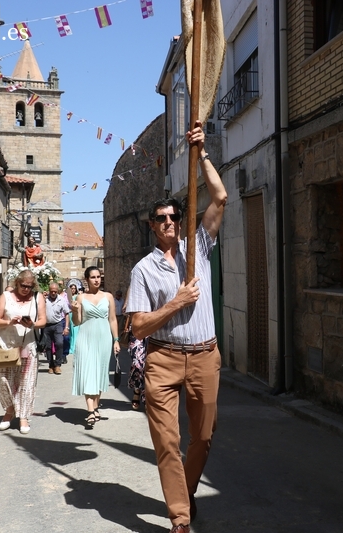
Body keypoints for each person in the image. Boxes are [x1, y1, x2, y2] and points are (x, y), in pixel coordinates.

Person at [127, 122, 226, 533]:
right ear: (152, 226)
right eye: (161, 218)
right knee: (167, 442)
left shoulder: (198, 246)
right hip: (163, 361)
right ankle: (180, 519)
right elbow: (137, 327)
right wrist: (176, 303)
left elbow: (219, 196)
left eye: (173, 216)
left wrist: (200, 153)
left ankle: (183, 491)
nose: (169, 221)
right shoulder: (142, 270)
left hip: (205, 354)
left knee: (202, 438)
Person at [0, 270, 46, 435]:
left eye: (30, 287)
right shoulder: (6, 297)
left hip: (27, 347)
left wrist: (32, 324)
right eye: (23, 285)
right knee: (4, 382)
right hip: (7, 346)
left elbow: (43, 320)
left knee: (26, 383)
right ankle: (9, 411)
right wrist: (9, 322)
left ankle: (23, 416)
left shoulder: (37, 298)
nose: (26, 289)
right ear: (17, 283)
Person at [71, 266, 120, 428]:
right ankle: (90, 410)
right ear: (87, 279)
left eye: (99, 276)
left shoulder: (108, 296)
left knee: (99, 372)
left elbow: (112, 319)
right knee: (87, 371)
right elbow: (76, 322)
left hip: (104, 337)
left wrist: (116, 340)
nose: (97, 279)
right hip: (85, 337)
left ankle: (96, 407)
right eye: (93, 277)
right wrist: (75, 311)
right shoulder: (80, 297)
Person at [38, 282, 71, 374]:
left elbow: (66, 313)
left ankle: (57, 364)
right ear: (49, 291)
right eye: (51, 291)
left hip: (58, 324)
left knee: (59, 343)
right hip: (46, 325)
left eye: (55, 292)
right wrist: (41, 298)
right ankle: (51, 365)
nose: (53, 293)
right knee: (47, 347)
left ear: (57, 291)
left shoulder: (61, 300)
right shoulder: (44, 300)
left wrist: (66, 327)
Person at [67, 281, 81, 356]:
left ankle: (74, 347)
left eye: (74, 288)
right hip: (69, 314)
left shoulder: (77, 297)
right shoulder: (67, 296)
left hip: (74, 314)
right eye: (72, 288)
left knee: (75, 331)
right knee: (70, 332)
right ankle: (70, 346)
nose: (73, 290)